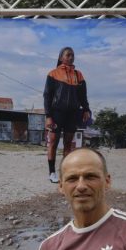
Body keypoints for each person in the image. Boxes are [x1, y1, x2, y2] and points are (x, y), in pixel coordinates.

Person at [43, 47, 91, 184]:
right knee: (53, 143)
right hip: (56, 113)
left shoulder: (79, 75)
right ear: (61, 58)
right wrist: (48, 115)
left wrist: (86, 109)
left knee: (68, 144)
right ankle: (52, 173)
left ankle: (65, 173)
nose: (71, 57)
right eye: (68, 55)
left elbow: (83, 95)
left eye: (73, 55)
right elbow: (47, 96)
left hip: (73, 113)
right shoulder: (53, 74)